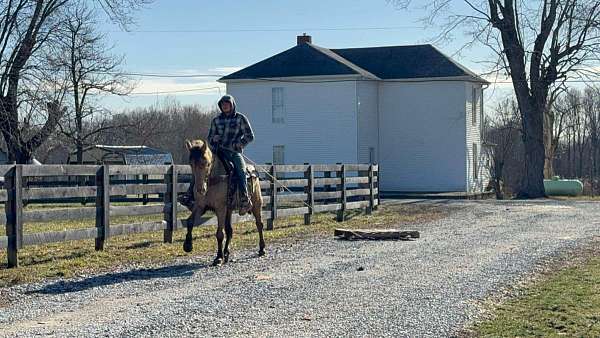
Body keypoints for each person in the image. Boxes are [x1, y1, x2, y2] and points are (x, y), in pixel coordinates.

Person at [179, 94, 255, 215]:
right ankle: (189, 195)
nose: (225, 106)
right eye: (222, 104)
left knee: (241, 170)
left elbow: (250, 136)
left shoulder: (240, 118)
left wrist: (239, 143)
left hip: (234, 152)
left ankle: (245, 199)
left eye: (227, 104)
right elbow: (209, 138)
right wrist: (214, 138)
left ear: (232, 105)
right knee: (200, 168)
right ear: (220, 106)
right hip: (217, 152)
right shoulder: (216, 120)